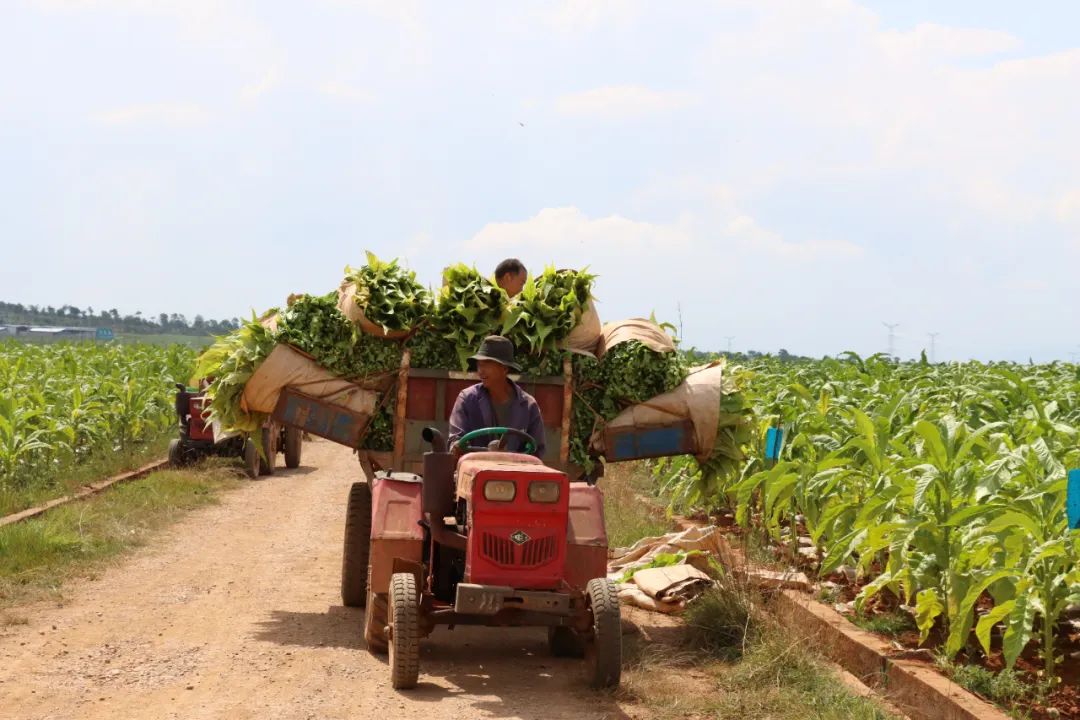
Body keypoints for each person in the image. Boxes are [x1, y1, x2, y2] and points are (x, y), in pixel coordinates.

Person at [448, 335, 545, 458]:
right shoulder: (467, 399)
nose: (480, 371)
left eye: (487, 364)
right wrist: (457, 446)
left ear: (504, 368)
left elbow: (537, 450)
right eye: (479, 365)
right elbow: (455, 440)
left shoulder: (528, 405)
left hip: (514, 471)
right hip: (476, 470)